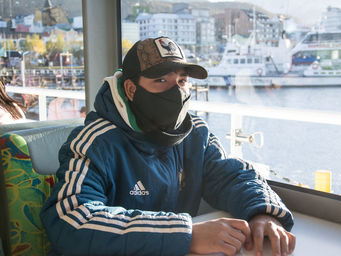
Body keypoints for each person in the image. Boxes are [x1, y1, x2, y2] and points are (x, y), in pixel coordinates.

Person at [41, 37, 295, 256]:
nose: (176, 91)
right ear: (131, 89)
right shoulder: (94, 142)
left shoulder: (196, 133)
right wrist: (186, 234)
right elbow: (70, 219)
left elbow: (232, 175)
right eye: (161, 80)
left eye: (182, 81)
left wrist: (263, 212)